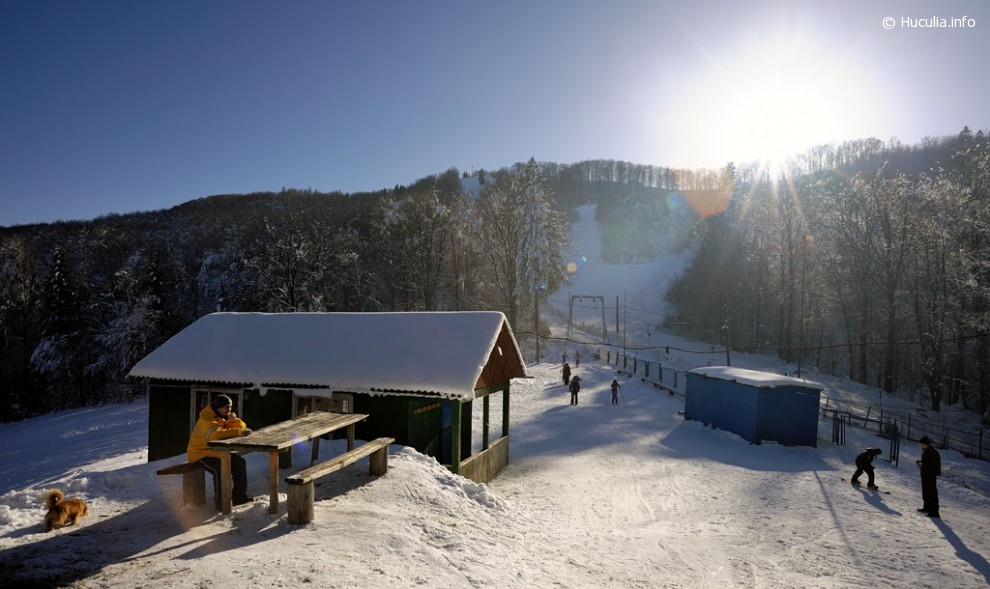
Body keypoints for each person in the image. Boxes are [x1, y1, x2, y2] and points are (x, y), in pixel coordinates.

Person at [187, 394, 254, 510]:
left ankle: (239, 497)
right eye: (226, 407)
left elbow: (242, 427)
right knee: (220, 469)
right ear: (218, 407)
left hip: (215, 451)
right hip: (199, 453)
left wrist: (233, 421)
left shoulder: (222, 417)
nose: (229, 410)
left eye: (230, 407)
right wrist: (238, 432)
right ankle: (221, 502)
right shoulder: (206, 418)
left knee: (240, 463)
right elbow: (216, 435)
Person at [916, 436, 941, 518]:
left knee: (931, 492)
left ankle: (934, 511)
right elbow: (926, 462)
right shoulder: (926, 451)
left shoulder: (932, 452)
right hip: (925, 475)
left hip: (930, 475)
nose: (920, 445)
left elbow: (932, 465)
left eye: (921, 443)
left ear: (925, 443)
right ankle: (927, 507)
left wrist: (922, 464)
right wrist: (920, 462)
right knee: (926, 491)